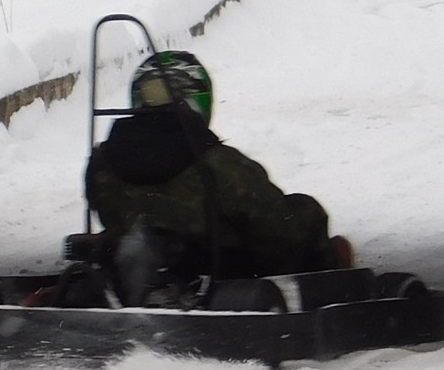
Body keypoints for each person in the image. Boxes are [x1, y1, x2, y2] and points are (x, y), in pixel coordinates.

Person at [84, 50, 340, 302]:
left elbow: (111, 216)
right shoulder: (220, 163)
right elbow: (276, 232)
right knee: (305, 211)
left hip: (136, 267)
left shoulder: (101, 163)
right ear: (199, 100)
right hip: (217, 273)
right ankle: (333, 291)